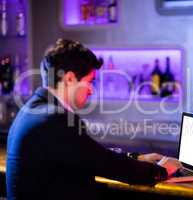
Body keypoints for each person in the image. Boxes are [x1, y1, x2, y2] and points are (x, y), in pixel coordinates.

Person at [6, 39, 182, 200]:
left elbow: (88, 155)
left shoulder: (31, 110)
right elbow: (107, 164)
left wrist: (137, 158)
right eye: (90, 81)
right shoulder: (54, 119)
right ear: (69, 79)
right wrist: (162, 170)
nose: (91, 90)